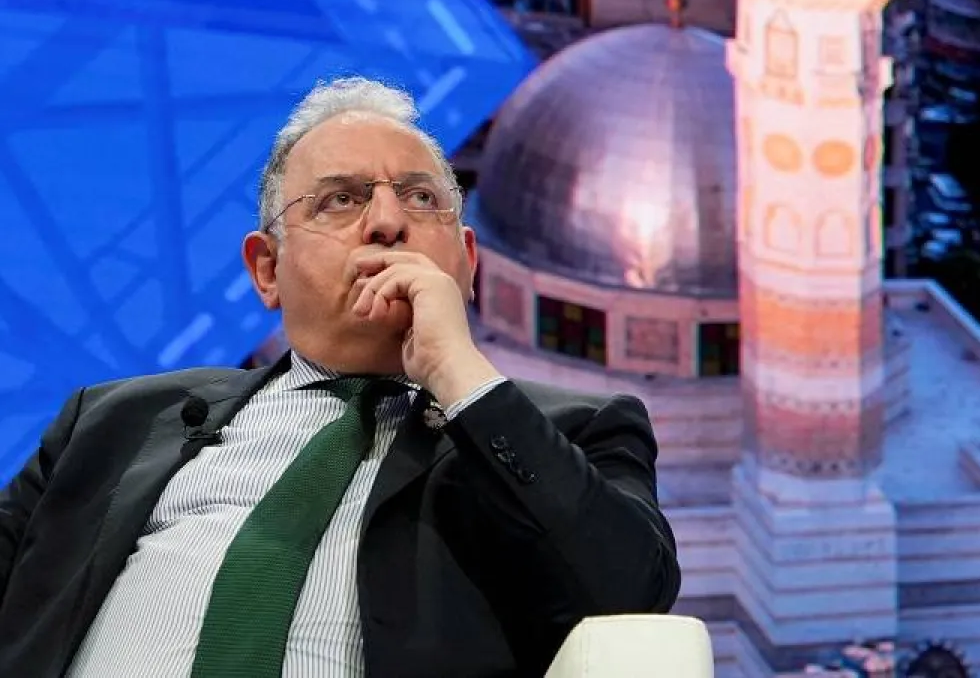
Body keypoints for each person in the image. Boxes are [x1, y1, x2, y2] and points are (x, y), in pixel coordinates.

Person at [0, 78, 680, 678]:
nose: (387, 223)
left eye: (420, 198)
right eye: (340, 200)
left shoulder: (566, 433)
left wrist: (458, 373)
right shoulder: (109, 421)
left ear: (467, 263)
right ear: (267, 268)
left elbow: (628, 599)